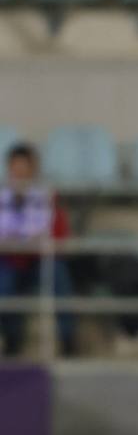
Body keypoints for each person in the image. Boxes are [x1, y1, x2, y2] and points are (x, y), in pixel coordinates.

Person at [0, 142, 74, 357]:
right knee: (3, 285)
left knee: (59, 275)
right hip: (9, 261)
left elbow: (59, 234)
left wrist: (38, 239)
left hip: (40, 260)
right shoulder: (2, 196)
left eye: (25, 167)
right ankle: (12, 342)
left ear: (33, 169)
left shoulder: (47, 196)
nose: (20, 172)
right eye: (16, 167)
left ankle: (68, 340)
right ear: (10, 168)